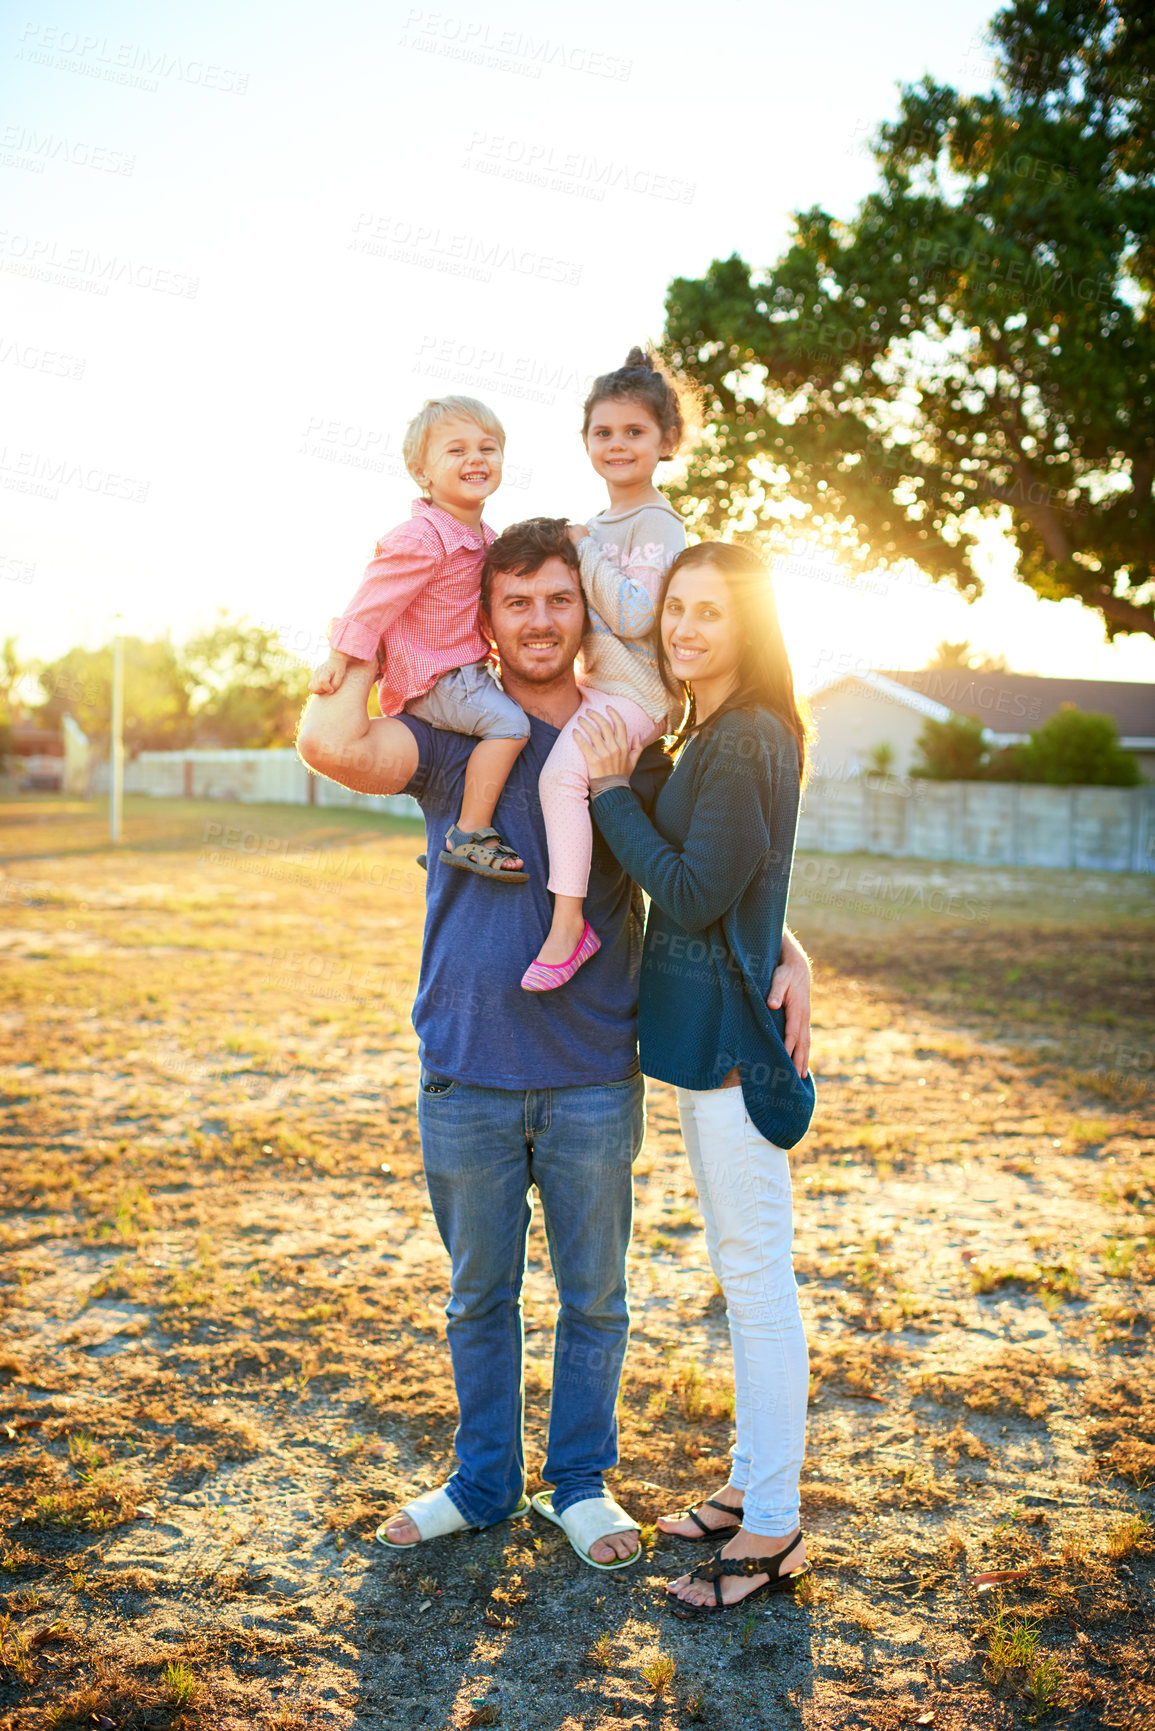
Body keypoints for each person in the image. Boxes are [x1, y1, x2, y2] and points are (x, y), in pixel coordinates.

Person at [296, 518, 813, 1571]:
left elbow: (711, 862)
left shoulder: (626, 738)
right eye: (516, 601)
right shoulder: (453, 737)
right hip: (467, 1067)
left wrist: (791, 944)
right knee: (477, 1298)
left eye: (558, 600)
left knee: (596, 1301)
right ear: (484, 619)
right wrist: (370, 619)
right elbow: (329, 743)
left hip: (590, 1073)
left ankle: (578, 1484)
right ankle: (482, 1482)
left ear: (586, 617)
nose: (539, 619)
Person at [576, 541, 816, 1616]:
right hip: (704, 1042)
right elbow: (740, 875)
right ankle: (746, 1484)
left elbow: (691, 889)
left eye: (711, 613)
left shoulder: (751, 735)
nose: (684, 629)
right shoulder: (709, 732)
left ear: (750, 630)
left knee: (758, 1286)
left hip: (731, 1054)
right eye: (676, 608)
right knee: (740, 1274)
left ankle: (773, 1530)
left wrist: (608, 789)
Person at [308, 395, 530, 883]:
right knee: (511, 727)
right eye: (456, 451)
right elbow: (373, 600)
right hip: (437, 678)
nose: (476, 458)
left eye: (487, 448)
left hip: (467, 672)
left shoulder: (485, 538)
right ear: (421, 472)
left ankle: (443, 837)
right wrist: (340, 657)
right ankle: (467, 833)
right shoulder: (422, 536)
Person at [524, 348, 688, 992]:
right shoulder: (596, 523)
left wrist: (585, 548)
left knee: (563, 780)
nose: (617, 445)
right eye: (603, 432)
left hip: (640, 693)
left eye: (634, 432)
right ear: (586, 440)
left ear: (666, 440)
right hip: (601, 687)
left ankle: (571, 929)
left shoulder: (658, 522)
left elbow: (636, 615)